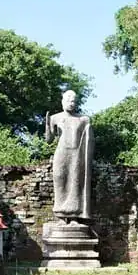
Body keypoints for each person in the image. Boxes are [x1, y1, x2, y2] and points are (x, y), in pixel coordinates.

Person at [45, 90, 93, 222]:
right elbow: (49, 140)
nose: (71, 103)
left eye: (73, 101)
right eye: (68, 101)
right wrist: (47, 126)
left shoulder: (83, 119)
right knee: (59, 181)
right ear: (62, 102)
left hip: (76, 154)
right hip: (61, 153)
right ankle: (60, 215)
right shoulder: (55, 117)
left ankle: (74, 217)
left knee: (75, 183)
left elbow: (88, 141)